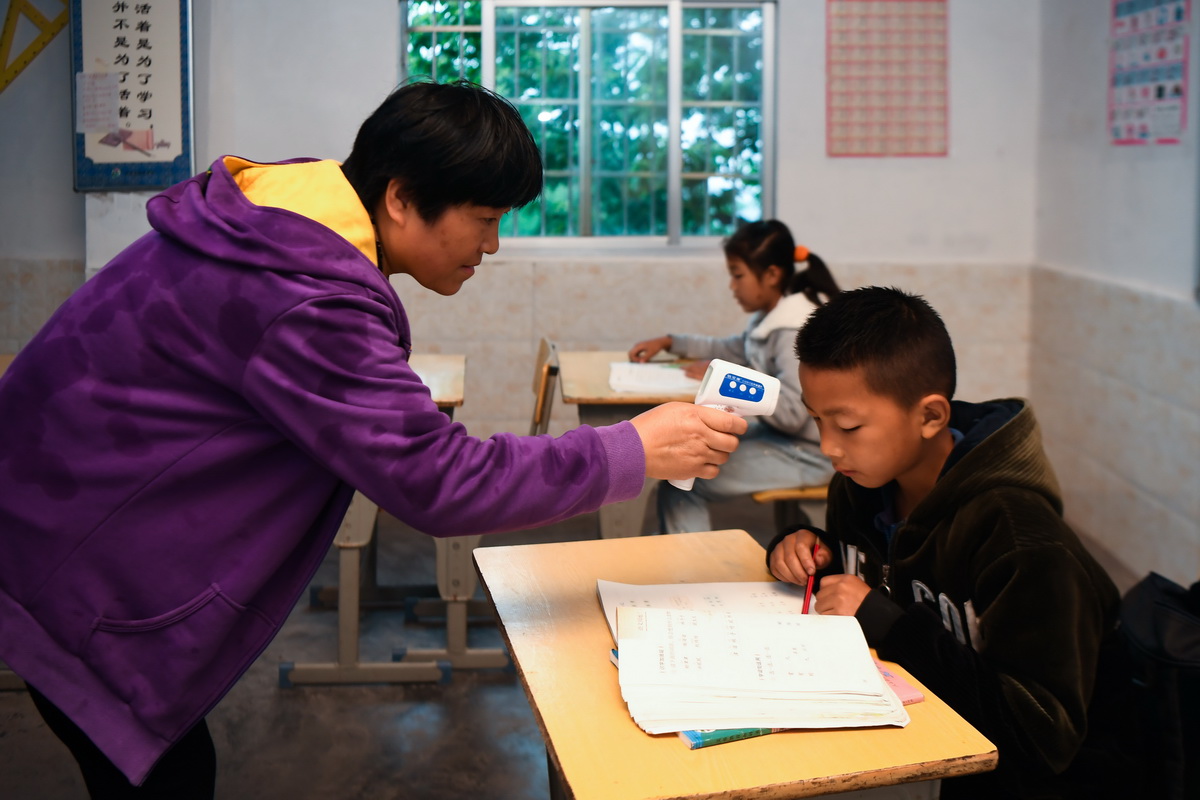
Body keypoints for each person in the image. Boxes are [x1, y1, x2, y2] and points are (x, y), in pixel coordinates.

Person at [0, 79, 747, 798]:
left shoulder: (274, 217)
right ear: (399, 198)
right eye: (484, 219)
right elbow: (437, 479)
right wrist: (632, 450)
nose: (492, 246)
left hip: (46, 535)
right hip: (74, 578)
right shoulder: (304, 292)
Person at [765, 286, 1141, 798]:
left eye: (849, 426)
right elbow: (878, 568)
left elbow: (1041, 737)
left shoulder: (1024, 543)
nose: (829, 447)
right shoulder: (859, 485)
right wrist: (808, 546)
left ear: (930, 417)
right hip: (915, 736)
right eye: (817, 420)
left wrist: (888, 623)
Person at [628, 219, 838, 534]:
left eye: (738, 275)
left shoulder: (791, 329)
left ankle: (688, 575)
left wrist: (726, 383)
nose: (732, 286)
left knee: (688, 478)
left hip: (809, 453)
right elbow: (728, 348)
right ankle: (679, 563)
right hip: (786, 442)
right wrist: (670, 341)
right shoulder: (769, 321)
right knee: (687, 458)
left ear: (771, 275)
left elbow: (795, 412)